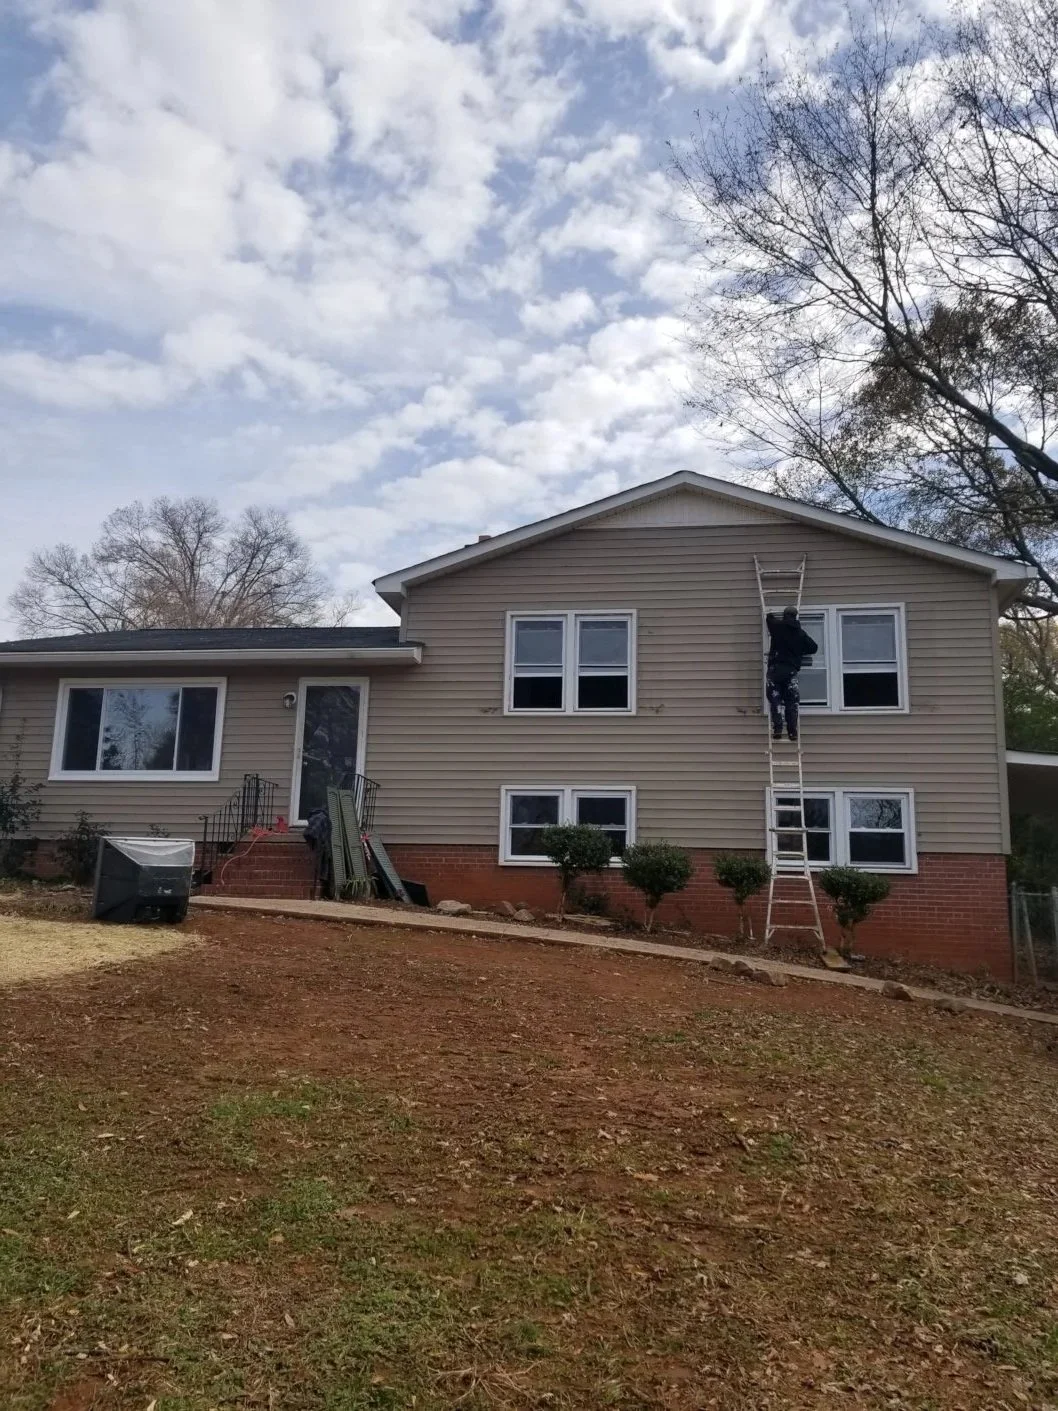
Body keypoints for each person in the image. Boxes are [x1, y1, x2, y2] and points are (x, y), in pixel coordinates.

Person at [765, 607, 818, 742]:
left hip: (775, 671)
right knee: (791, 702)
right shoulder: (800, 633)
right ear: (795, 617)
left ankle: (777, 729)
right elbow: (813, 647)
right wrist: (798, 651)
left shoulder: (777, 627)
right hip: (790, 672)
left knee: (775, 699)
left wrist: (770, 614)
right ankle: (792, 732)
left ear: (784, 616)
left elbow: (769, 620)